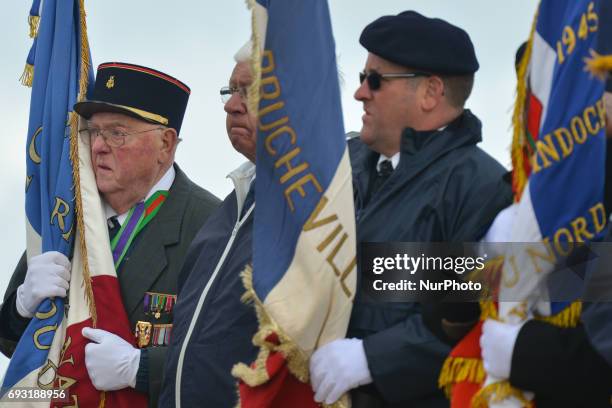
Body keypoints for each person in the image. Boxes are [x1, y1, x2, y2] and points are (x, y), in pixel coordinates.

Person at [309, 11, 513, 408]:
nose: (360, 92)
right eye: (362, 77)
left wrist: (375, 359)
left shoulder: (482, 189)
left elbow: (475, 319)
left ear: (430, 93)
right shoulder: (343, 166)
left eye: (375, 80)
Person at [0, 62, 220, 406]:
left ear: (166, 143)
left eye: (118, 133)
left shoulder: (210, 224)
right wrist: (21, 306)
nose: (99, 146)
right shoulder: (68, 211)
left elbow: (231, 357)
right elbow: (10, 342)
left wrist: (142, 368)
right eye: (93, 131)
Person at [159, 44, 259, 408]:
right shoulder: (226, 213)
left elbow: (435, 307)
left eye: (250, 91)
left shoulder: (340, 198)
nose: (231, 105)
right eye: (231, 90)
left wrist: (370, 359)